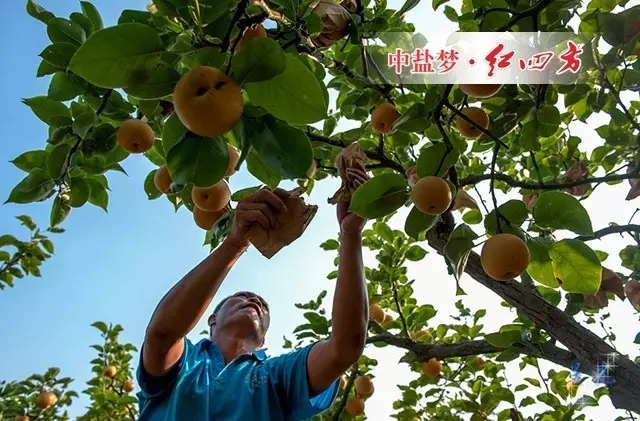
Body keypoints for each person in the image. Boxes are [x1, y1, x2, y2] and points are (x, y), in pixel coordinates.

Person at [136, 167, 371, 421]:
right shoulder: (187, 361)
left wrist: (351, 233)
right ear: (212, 319)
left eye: (262, 307)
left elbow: (345, 348)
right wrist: (235, 243)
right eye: (241, 297)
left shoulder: (276, 375)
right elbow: (161, 335)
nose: (255, 300)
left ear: (263, 341)